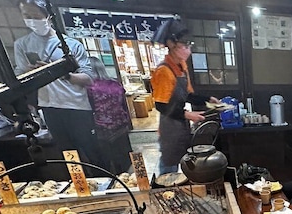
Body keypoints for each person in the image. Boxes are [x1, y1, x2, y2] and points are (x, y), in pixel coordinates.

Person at [14, 0, 103, 167]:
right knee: (68, 156)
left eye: (36, 16)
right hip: (50, 108)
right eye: (27, 16)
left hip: (78, 107)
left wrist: (63, 74)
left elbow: (89, 78)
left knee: (92, 152)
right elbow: (20, 81)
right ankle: (82, 190)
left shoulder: (71, 45)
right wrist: (31, 75)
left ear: (48, 15)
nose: (32, 20)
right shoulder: (22, 45)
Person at [150, 20, 219, 175]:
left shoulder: (182, 66)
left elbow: (187, 95)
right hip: (169, 125)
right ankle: (165, 192)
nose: (188, 51)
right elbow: (161, 106)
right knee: (169, 163)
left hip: (181, 123)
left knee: (182, 158)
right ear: (171, 45)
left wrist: (207, 99)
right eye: (185, 46)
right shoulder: (163, 71)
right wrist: (188, 115)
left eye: (189, 46)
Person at [86, 57, 133, 174]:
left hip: (101, 129)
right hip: (120, 126)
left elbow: (90, 109)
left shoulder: (89, 88)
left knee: (106, 161)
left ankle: (113, 184)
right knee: (124, 157)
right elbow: (123, 104)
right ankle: (129, 180)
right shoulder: (115, 84)